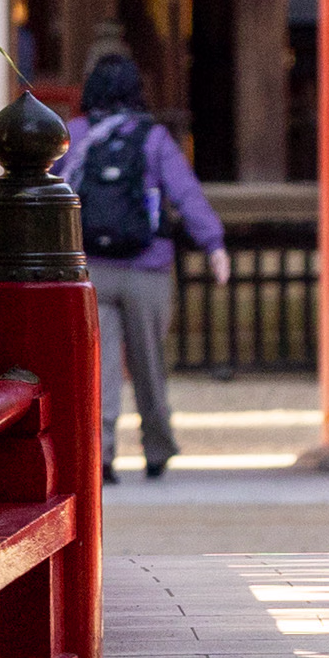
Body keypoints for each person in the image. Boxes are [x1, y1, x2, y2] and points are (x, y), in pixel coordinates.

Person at [58, 51, 225, 481]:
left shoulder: (73, 135)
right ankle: (157, 446)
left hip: (91, 267)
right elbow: (185, 194)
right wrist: (214, 245)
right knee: (150, 363)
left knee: (101, 366)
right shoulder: (153, 139)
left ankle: (103, 453)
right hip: (146, 268)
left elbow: (47, 193)